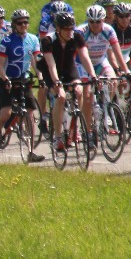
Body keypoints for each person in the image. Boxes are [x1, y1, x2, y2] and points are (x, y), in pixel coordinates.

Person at [0, 9, 44, 162]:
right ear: (14, 24)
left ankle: (31, 151)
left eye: (26, 22)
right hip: (7, 80)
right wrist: (5, 78)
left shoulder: (33, 39)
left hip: (23, 80)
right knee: (5, 113)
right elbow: (0, 65)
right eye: (20, 23)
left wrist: (40, 77)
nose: (23, 25)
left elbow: (35, 61)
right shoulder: (6, 41)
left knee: (30, 113)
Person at [41, 11, 96, 155]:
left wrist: (93, 75)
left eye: (72, 28)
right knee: (61, 96)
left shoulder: (77, 36)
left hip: (68, 68)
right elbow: (51, 64)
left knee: (79, 91)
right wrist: (56, 82)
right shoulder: (47, 40)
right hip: (51, 71)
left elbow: (84, 57)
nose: (70, 32)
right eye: (66, 29)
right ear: (58, 29)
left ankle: (75, 127)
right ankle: (58, 137)